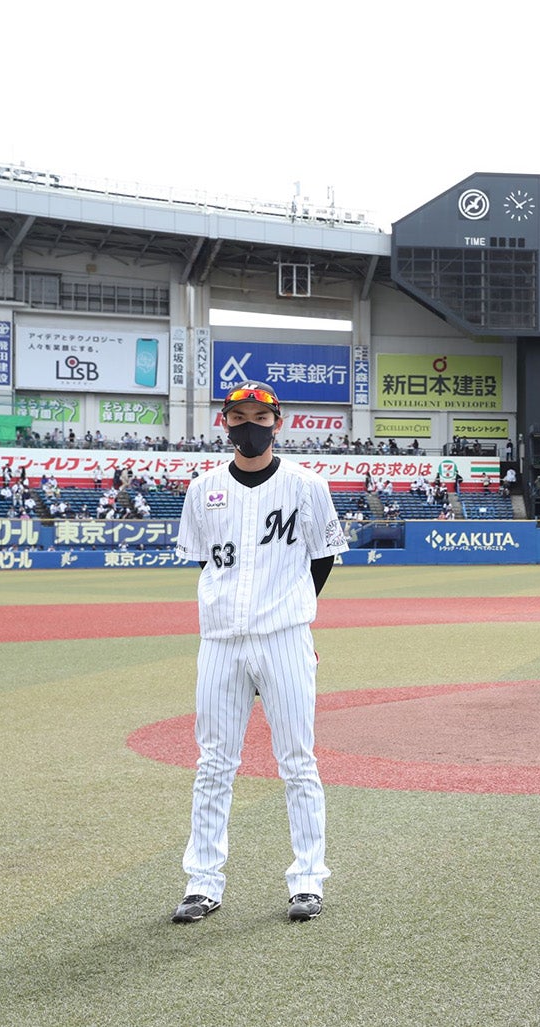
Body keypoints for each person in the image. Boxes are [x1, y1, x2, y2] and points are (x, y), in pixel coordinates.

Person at [170, 380, 350, 925]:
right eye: (239, 415)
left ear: (278, 422)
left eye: (260, 416)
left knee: (298, 761)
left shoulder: (307, 486)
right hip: (221, 642)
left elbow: (322, 559)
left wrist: (288, 609)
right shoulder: (202, 490)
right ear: (224, 422)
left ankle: (308, 880)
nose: (250, 424)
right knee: (213, 764)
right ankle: (202, 883)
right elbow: (205, 561)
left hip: (284, 639)